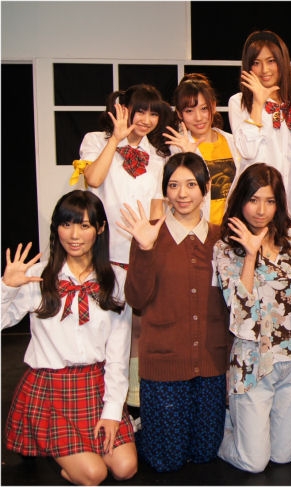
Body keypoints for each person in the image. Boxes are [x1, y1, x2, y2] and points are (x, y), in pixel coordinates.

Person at [2, 191, 137, 485]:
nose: (74, 235)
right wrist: (7, 287)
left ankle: (74, 454)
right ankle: (62, 454)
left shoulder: (116, 279)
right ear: (57, 228)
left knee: (125, 468)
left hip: (95, 386)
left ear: (100, 228)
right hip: (50, 388)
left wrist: (112, 411)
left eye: (84, 225)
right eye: (66, 224)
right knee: (94, 474)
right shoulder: (37, 276)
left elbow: (118, 353)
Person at [119, 152, 229, 472]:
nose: (182, 193)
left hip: (210, 363)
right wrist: (144, 249)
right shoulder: (150, 234)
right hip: (165, 364)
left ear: (205, 189)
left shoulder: (220, 238)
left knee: (205, 453)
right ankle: (137, 430)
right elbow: (136, 299)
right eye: (174, 185)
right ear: (165, 190)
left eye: (191, 184)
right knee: (166, 461)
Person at [77, 83, 173, 413]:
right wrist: (116, 139)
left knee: (138, 327)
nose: (146, 119)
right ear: (123, 110)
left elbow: (157, 206)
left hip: (140, 252)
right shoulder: (96, 141)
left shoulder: (158, 155)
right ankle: (96, 399)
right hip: (103, 252)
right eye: (139, 111)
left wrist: (154, 247)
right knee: (100, 326)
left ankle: (133, 401)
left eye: (153, 114)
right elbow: (93, 179)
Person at [215, 163, 291, 472]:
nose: (261, 210)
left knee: (284, 455)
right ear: (241, 200)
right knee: (254, 462)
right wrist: (251, 255)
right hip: (253, 363)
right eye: (253, 199)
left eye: (269, 201)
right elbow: (240, 316)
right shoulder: (225, 248)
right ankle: (219, 433)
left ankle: (251, 430)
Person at [228, 30, 291, 223]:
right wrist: (258, 103)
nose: (264, 70)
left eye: (271, 61)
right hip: (254, 203)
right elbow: (247, 151)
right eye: (256, 63)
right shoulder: (239, 102)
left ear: (282, 62)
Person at [166, 73, 241, 226]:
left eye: (204, 108)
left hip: (232, 229)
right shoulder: (177, 148)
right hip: (196, 229)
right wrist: (188, 156)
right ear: (180, 114)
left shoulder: (233, 142)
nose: (198, 117)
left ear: (213, 106)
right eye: (189, 111)